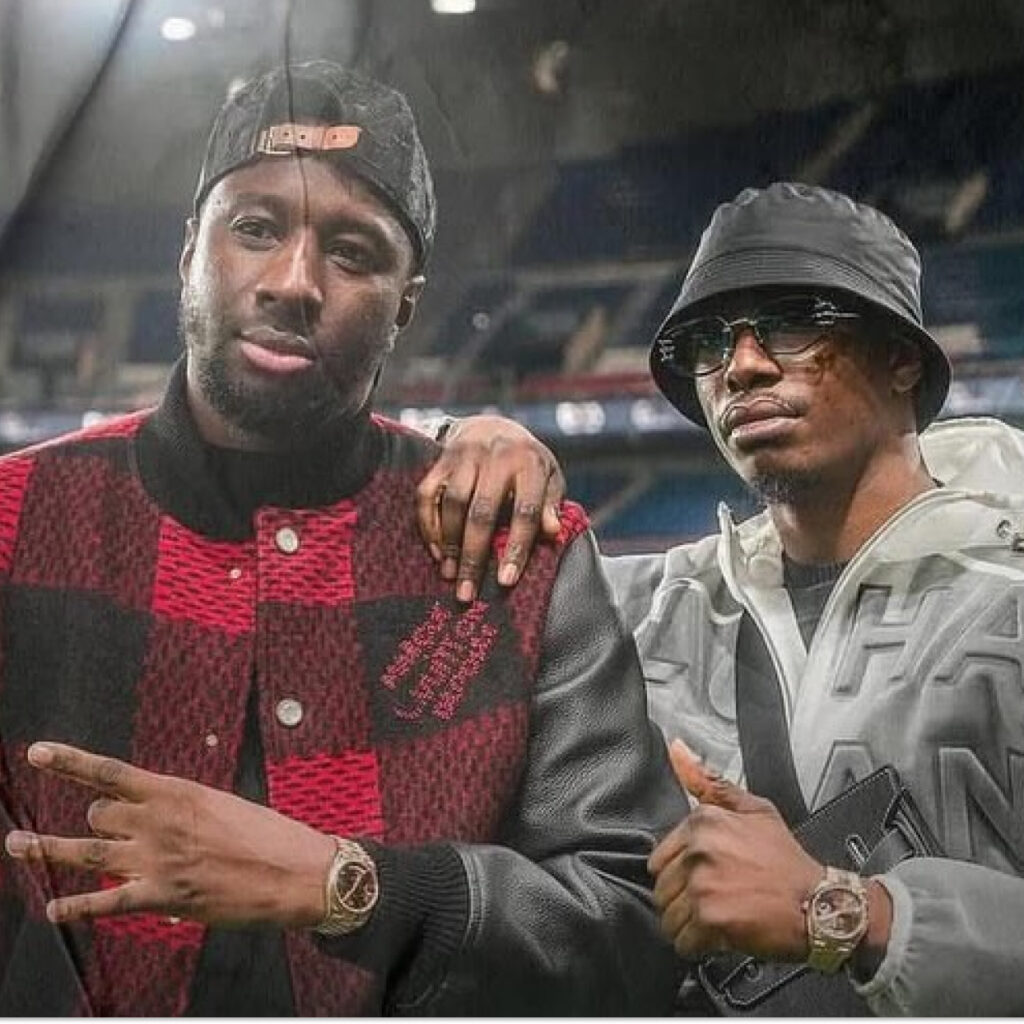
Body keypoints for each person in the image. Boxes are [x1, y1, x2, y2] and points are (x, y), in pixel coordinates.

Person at [0, 60, 687, 1016]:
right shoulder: (15, 521)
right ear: (189, 251)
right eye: (255, 228)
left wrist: (351, 887)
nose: (294, 283)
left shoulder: (521, 558)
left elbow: (637, 926)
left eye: (354, 253)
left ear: (407, 301)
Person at [420, 181, 1024, 1014]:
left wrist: (851, 915)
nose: (742, 366)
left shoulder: (1008, 599)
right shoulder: (650, 608)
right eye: (710, 342)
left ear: (903, 358)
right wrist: (466, 444)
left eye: (794, 322)